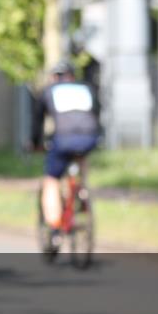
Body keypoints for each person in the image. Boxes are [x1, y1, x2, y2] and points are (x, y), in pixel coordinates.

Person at [31, 60, 101, 229]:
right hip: (89, 138)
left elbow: (37, 120)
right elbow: (97, 112)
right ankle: (82, 192)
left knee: (52, 179)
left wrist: (35, 142)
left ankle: (54, 224)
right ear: (72, 76)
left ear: (54, 77)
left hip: (63, 139)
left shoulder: (50, 90)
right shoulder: (86, 88)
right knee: (81, 157)